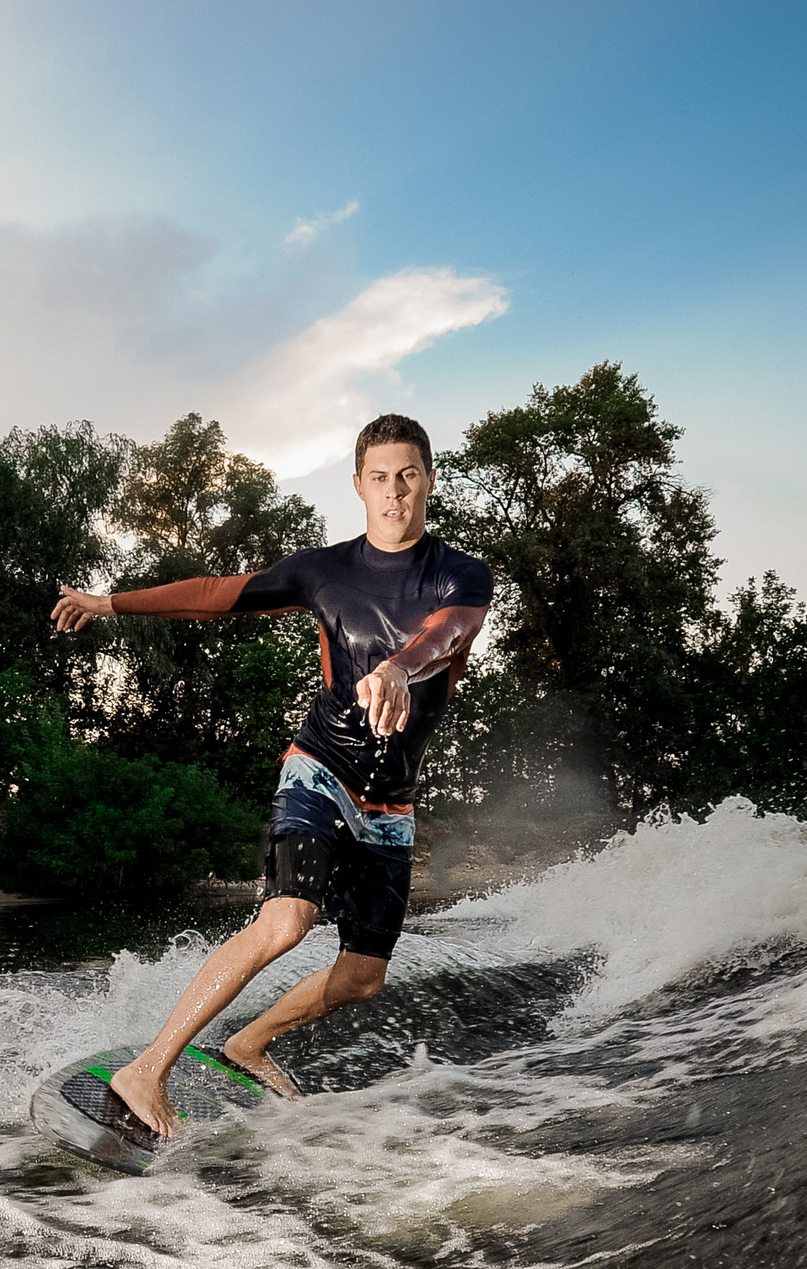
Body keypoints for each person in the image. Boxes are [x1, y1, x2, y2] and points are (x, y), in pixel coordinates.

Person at [47, 414, 492, 1137]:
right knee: (286, 920)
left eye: (408, 475)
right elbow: (218, 592)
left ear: (429, 480)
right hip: (319, 771)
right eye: (379, 477)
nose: (394, 493)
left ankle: (248, 1041)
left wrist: (395, 669)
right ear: (358, 485)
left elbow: (445, 636)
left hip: (389, 804)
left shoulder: (461, 573)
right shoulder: (322, 570)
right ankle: (148, 1068)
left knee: (361, 978)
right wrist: (110, 602)